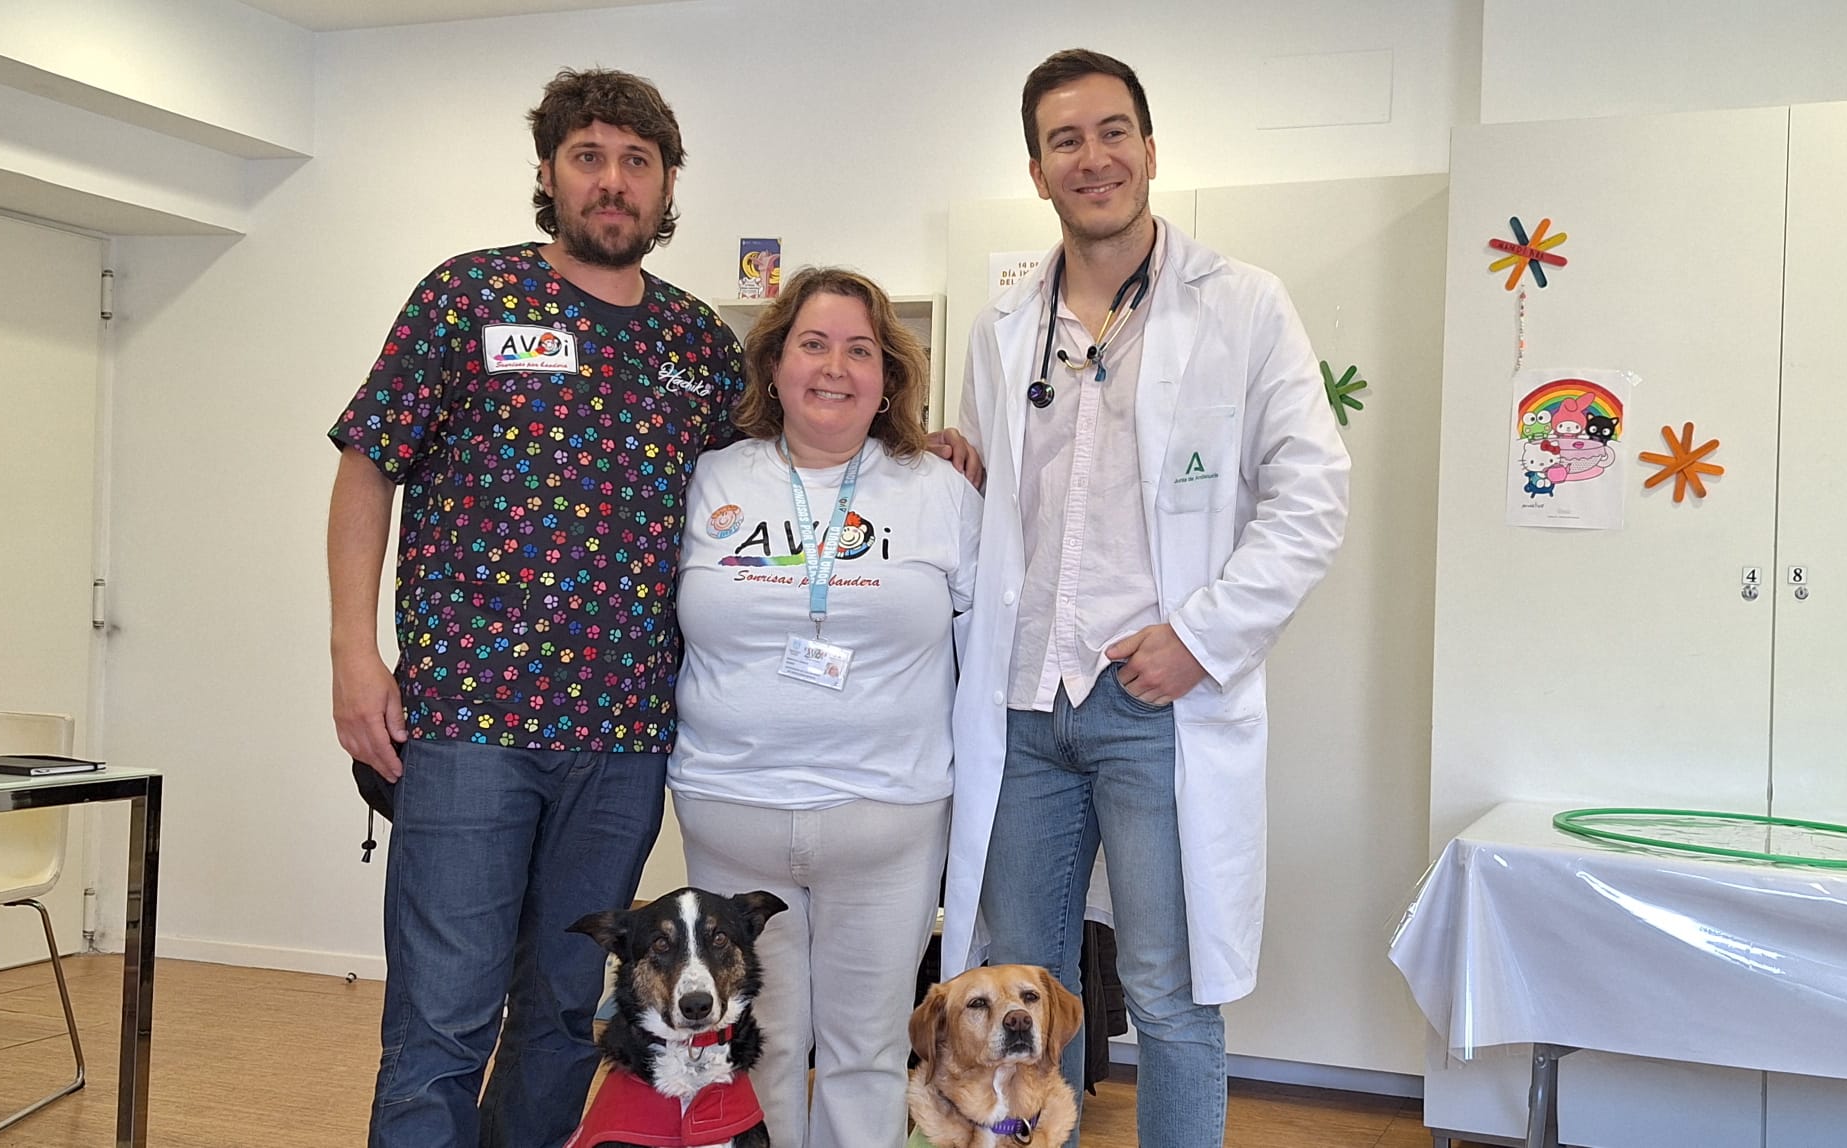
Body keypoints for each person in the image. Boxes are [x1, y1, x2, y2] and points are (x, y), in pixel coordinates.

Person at [326, 68, 745, 1148]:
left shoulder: (698, 344)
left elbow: (795, 463)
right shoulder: (466, 297)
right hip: (469, 723)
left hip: (623, 736)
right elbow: (369, 465)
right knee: (442, 1019)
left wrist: (919, 443)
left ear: (665, 187)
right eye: (588, 157)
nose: (612, 182)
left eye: (636, 163)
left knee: (567, 1012)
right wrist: (354, 657)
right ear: (551, 174)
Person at [940, 48, 1352, 1148]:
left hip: (1154, 703)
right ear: (1036, 171)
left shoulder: (1245, 306)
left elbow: (1313, 497)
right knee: (1023, 1003)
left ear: (1152, 149)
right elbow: (988, 512)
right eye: (1065, 140)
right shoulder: (1003, 326)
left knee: (1170, 995)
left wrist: (1203, 639)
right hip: (1027, 706)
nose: (1093, 157)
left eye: (1113, 131)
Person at [669, 266, 980, 1148]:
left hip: (886, 823)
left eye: (860, 349)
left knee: (868, 1052)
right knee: (754, 1048)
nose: (835, 367)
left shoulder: (937, 490)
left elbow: (990, 639)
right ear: (773, 365)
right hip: (734, 819)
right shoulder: (707, 481)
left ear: (888, 378)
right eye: (813, 344)